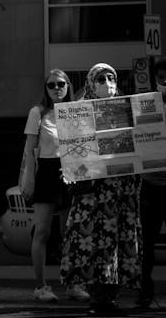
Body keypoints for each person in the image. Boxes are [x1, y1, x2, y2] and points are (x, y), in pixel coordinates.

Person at [60, 63, 142, 317]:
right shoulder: (79, 113)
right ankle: (98, 298)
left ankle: (112, 298)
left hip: (121, 192)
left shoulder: (127, 110)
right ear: (90, 82)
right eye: (101, 78)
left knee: (117, 242)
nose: (107, 82)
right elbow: (74, 152)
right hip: (92, 194)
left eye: (111, 77)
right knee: (94, 242)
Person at [22, 69, 89, 303]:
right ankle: (41, 286)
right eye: (51, 85)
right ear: (45, 89)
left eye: (61, 84)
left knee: (70, 233)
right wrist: (29, 179)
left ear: (68, 86)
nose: (56, 88)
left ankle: (73, 284)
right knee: (42, 231)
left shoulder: (75, 111)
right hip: (47, 172)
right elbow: (29, 151)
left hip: (72, 171)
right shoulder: (37, 112)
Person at [137, 57, 166, 309]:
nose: (165, 82)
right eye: (161, 78)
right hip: (151, 185)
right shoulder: (145, 105)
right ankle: (145, 293)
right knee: (146, 243)